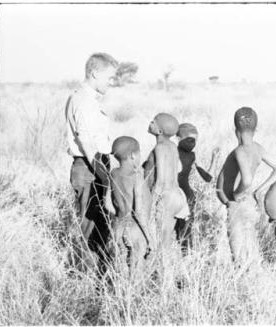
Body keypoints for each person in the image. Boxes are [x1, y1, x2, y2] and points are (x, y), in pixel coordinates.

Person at [65, 52, 118, 276]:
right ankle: (79, 278)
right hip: (90, 166)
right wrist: (104, 176)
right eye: (110, 77)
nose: (112, 82)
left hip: (95, 164)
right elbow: (87, 142)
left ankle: (98, 275)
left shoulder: (89, 99)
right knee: (87, 225)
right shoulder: (83, 101)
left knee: (99, 223)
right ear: (95, 73)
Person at [216, 107, 276, 268]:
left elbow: (246, 179)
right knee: (250, 245)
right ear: (256, 129)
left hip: (238, 204)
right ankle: (254, 279)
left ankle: (244, 283)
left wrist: (237, 193)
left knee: (239, 250)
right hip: (247, 204)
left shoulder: (240, 151)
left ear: (235, 130)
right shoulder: (258, 148)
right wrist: (259, 189)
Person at [143, 113, 190, 264]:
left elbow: (161, 179)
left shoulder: (160, 147)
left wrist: (152, 204)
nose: (150, 122)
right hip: (178, 195)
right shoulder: (173, 147)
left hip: (166, 196)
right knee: (167, 240)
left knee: (160, 243)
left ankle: (165, 280)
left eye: (153, 122)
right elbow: (179, 168)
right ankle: (168, 274)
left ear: (159, 131)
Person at [107, 136, 153, 277]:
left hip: (118, 227)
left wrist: (121, 214)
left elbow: (107, 204)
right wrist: (150, 237)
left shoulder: (113, 174)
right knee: (136, 270)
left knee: (121, 269)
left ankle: (120, 295)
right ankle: (135, 297)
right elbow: (138, 211)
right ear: (133, 155)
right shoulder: (137, 177)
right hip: (135, 229)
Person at [174, 123, 220, 255]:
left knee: (186, 229)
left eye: (195, 140)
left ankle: (186, 255)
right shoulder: (170, 153)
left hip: (187, 197)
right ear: (178, 139)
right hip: (173, 194)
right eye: (189, 139)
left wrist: (214, 159)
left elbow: (207, 178)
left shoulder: (192, 156)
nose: (192, 143)